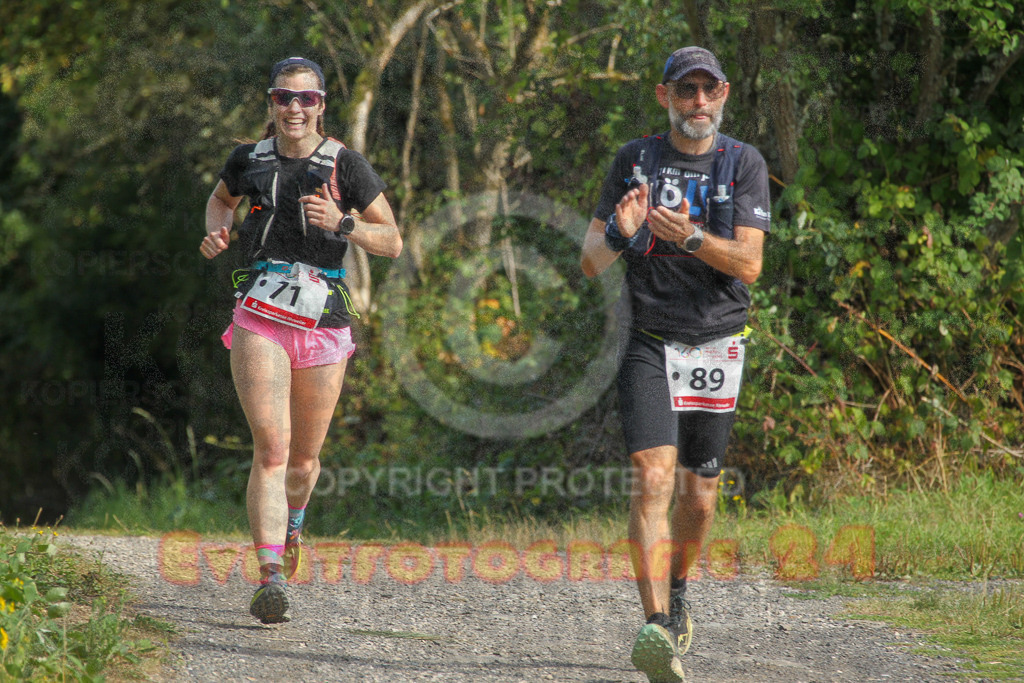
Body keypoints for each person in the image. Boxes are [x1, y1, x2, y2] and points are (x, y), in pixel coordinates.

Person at [580, 46, 770, 682]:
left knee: (700, 495)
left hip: (717, 340)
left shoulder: (743, 163)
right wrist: (620, 233)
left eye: (707, 91)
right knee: (651, 475)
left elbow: (749, 265)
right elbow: (589, 260)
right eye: (685, 91)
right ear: (664, 96)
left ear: (723, 95)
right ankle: (657, 625)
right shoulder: (634, 161)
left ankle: (680, 590)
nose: (697, 103)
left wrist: (685, 236)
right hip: (649, 338)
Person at [200, 56, 402, 624]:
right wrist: (215, 228)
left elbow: (392, 242)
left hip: (324, 319)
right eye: (284, 97)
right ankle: (270, 578)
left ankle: (294, 525)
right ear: (270, 102)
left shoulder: (345, 165)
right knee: (272, 448)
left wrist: (343, 223)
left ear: (321, 105)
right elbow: (221, 200)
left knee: (304, 461)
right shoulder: (248, 160)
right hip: (259, 312)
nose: (294, 108)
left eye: (306, 99)